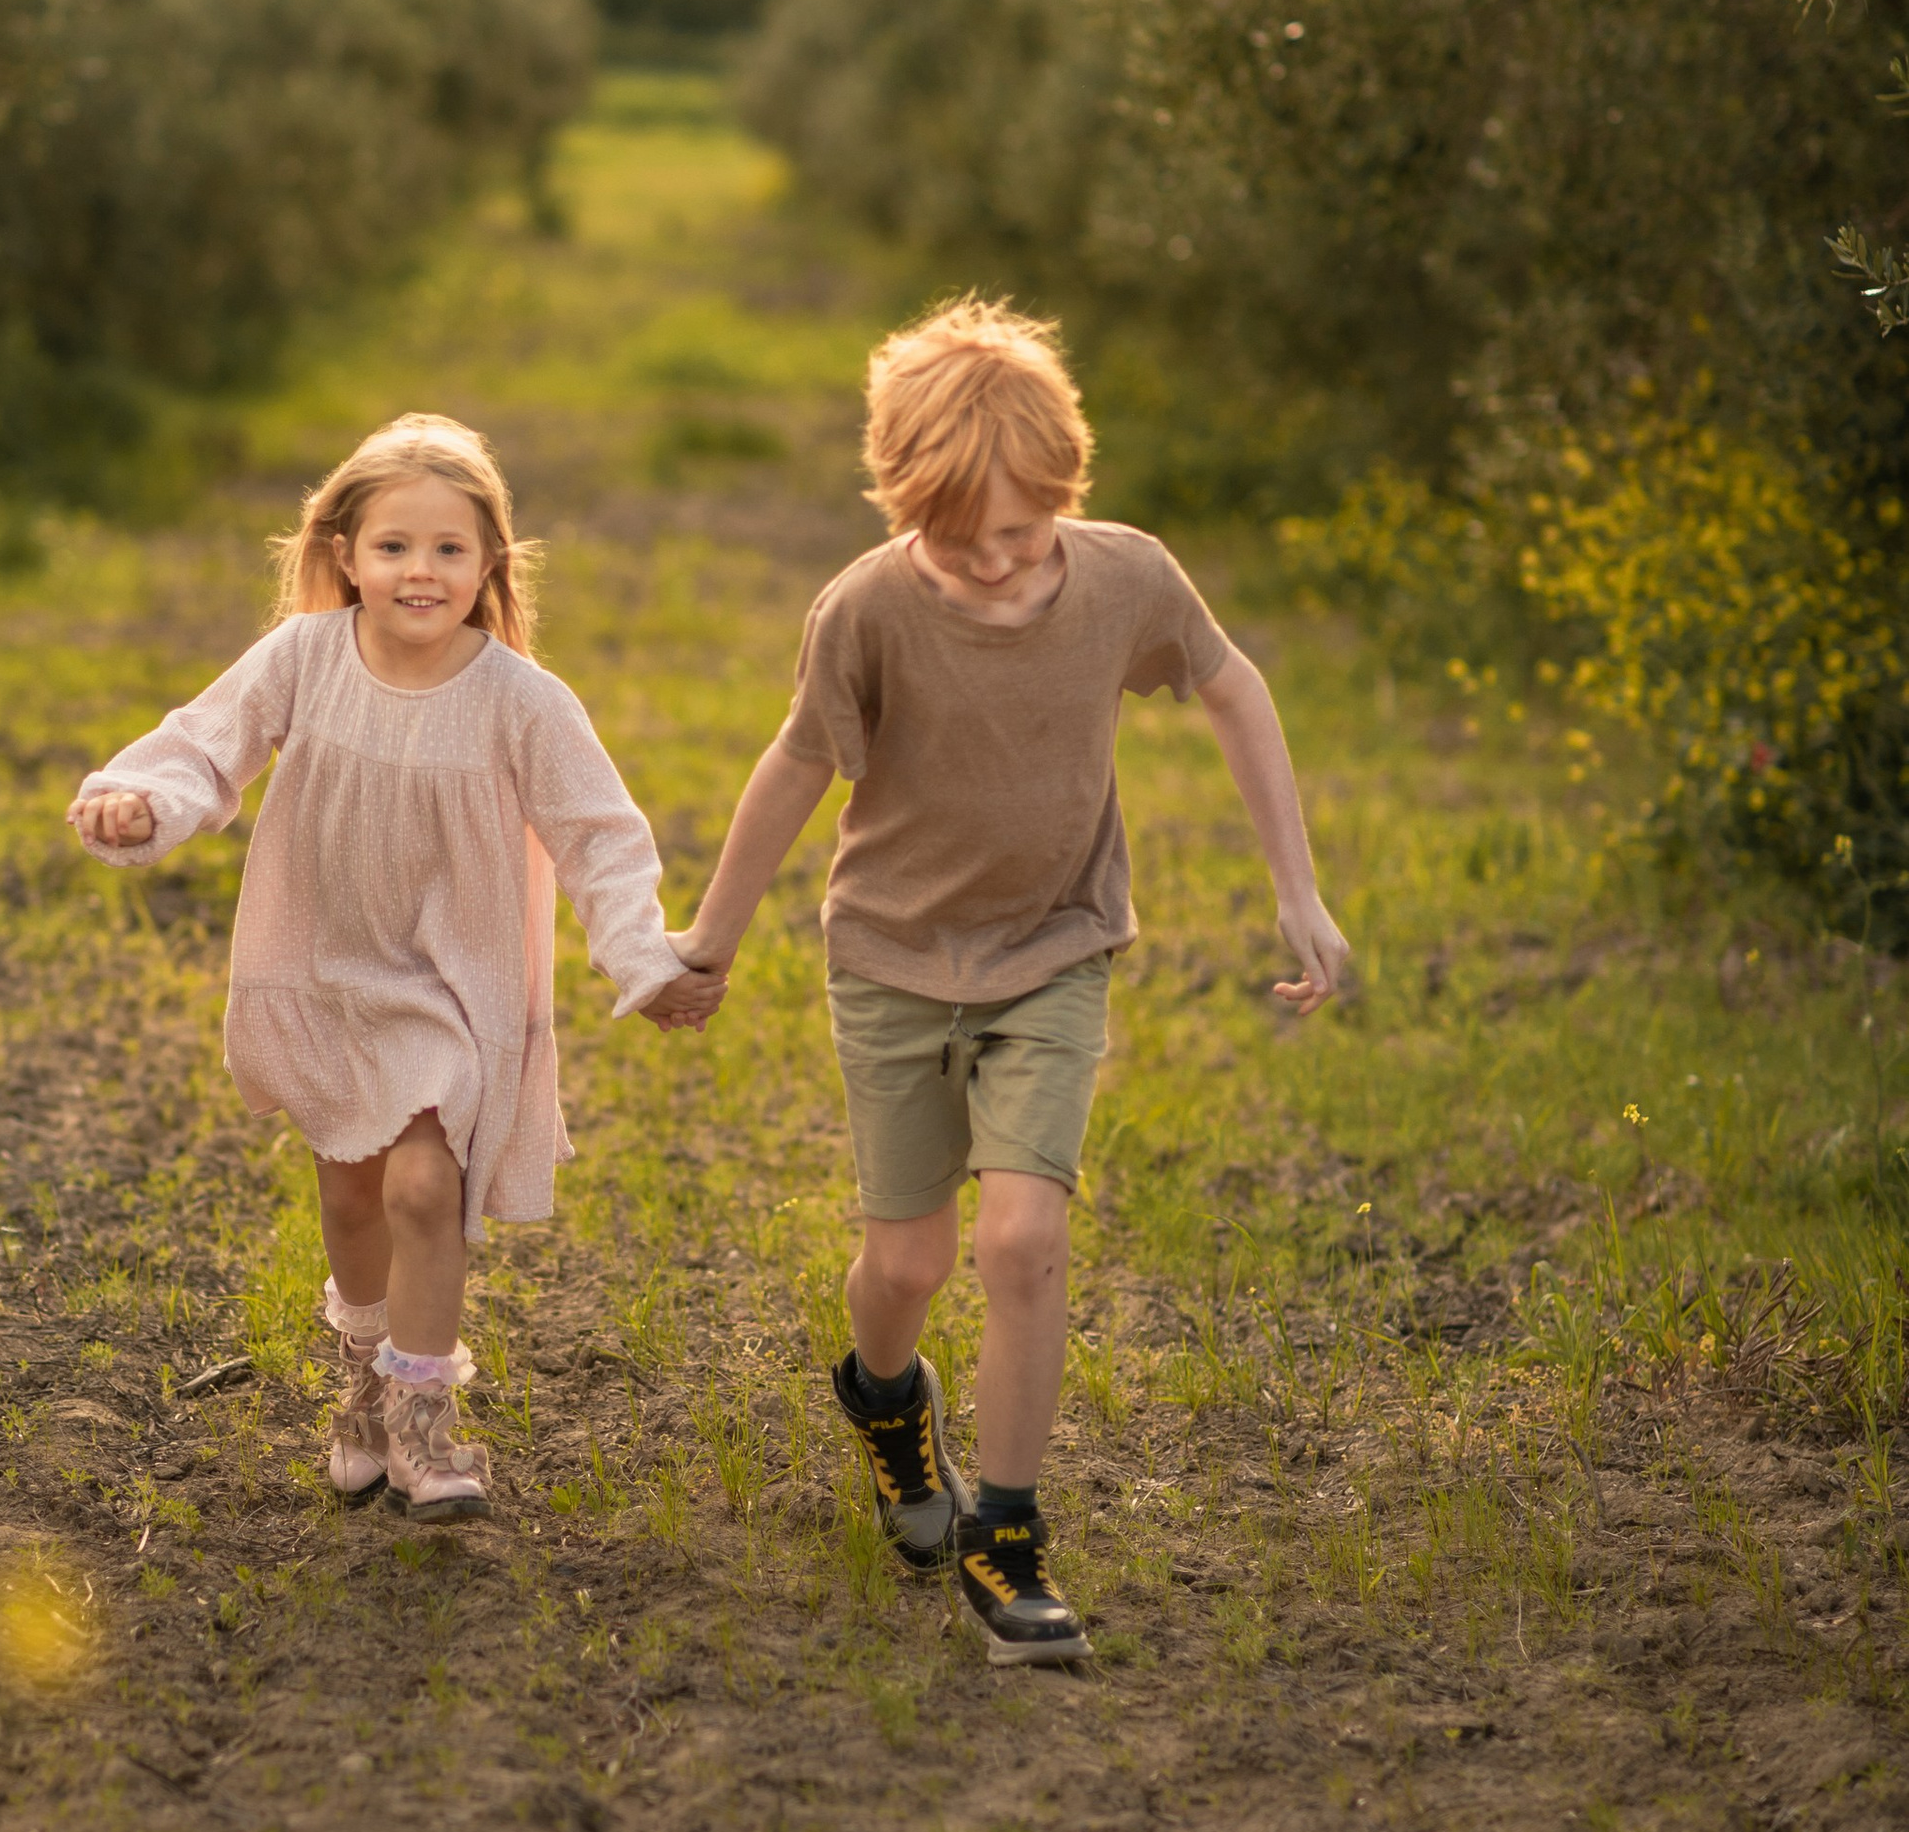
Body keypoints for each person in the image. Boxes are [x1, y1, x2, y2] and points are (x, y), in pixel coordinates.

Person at [673, 298, 1347, 1670]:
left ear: (1067, 494)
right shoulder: (864, 608)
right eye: (959, 540)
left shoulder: (1125, 577)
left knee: (1024, 1242)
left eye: (1023, 535)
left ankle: (1010, 1536)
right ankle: (884, 1402)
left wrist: (1298, 888)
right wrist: (711, 938)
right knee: (907, 1263)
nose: (994, 563)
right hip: (894, 963)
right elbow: (798, 764)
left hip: (1056, 947)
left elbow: (1232, 687)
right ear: (902, 501)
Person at [69, 413, 720, 1522]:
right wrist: (144, 804)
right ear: (344, 556)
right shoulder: (304, 657)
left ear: (489, 564)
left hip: (451, 985)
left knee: (426, 1181)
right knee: (352, 1186)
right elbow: (205, 744)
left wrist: (642, 958)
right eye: (394, 547)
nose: (421, 571)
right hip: (321, 966)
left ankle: (424, 1422)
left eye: (449, 550)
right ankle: (364, 1377)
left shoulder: (522, 699)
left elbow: (600, 836)